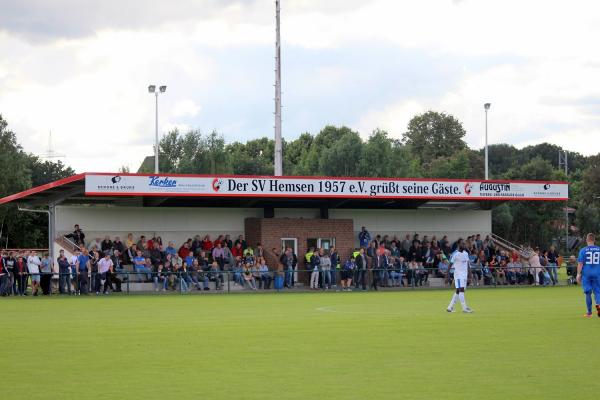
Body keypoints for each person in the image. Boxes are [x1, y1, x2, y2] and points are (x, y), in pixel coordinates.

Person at [446, 240, 474, 313]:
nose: (464, 245)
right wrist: (447, 275)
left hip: (464, 275)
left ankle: (450, 307)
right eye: (463, 244)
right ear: (459, 244)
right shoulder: (455, 254)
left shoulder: (466, 253)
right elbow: (449, 265)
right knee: (461, 290)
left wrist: (470, 275)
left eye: (465, 244)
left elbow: (468, 265)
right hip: (458, 275)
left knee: (459, 291)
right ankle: (464, 308)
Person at [577, 233, 600, 317]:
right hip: (597, 273)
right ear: (594, 240)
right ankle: (599, 310)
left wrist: (578, 274)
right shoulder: (599, 249)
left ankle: (589, 313)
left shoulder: (583, 250)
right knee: (598, 292)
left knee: (588, 293)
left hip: (587, 274)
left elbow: (580, 263)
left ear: (587, 240)